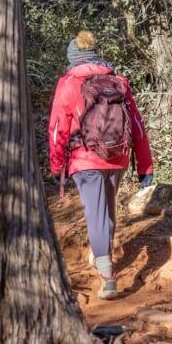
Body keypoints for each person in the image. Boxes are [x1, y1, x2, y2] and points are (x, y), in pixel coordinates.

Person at [49, 29, 154, 299]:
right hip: (117, 157)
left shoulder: (69, 82)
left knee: (97, 216)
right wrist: (145, 166)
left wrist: (56, 166)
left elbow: (58, 129)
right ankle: (100, 256)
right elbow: (138, 126)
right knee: (106, 212)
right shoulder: (117, 81)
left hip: (86, 159)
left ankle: (107, 278)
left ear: (73, 58)